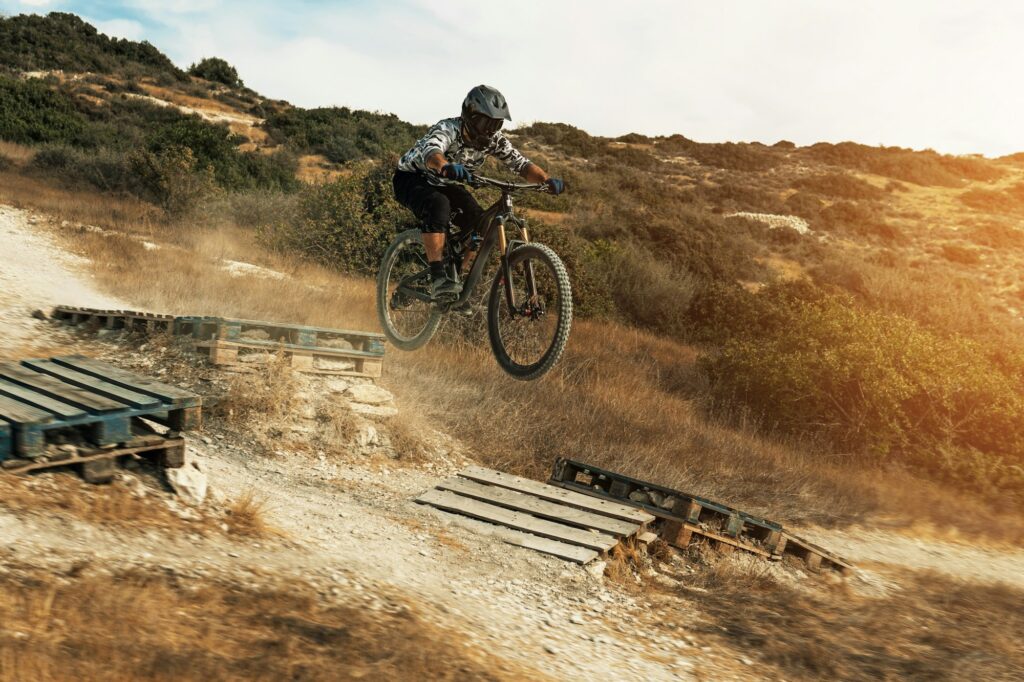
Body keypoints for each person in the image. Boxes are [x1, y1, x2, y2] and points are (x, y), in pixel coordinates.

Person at [393, 84, 564, 300]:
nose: (490, 129)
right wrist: (444, 165)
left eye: (496, 123)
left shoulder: (494, 141)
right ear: (470, 116)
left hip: (446, 183)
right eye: (486, 122)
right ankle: (437, 277)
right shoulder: (448, 128)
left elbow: (521, 164)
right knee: (438, 206)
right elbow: (432, 152)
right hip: (412, 177)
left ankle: (460, 285)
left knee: (480, 221)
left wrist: (546, 180)